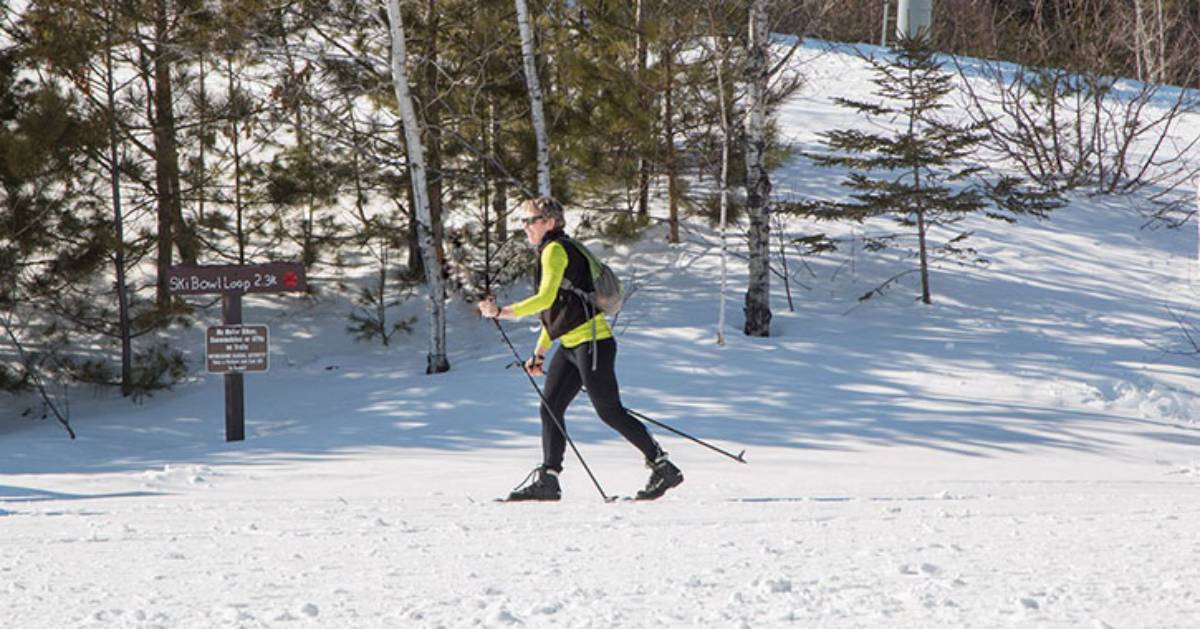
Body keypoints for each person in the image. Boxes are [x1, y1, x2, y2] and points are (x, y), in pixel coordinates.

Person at [479, 196, 683, 501]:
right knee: (551, 407)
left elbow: (544, 300)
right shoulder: (560, 249)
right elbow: (558, 312)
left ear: (549, 222)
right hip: (573, 344)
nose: (524, 227)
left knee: (609, 411)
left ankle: (662, 465)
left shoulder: (555, 250)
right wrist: (540, 352)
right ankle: (549, 479)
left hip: (593, 342)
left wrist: (502, 312)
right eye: (523, 221)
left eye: (529, 220)